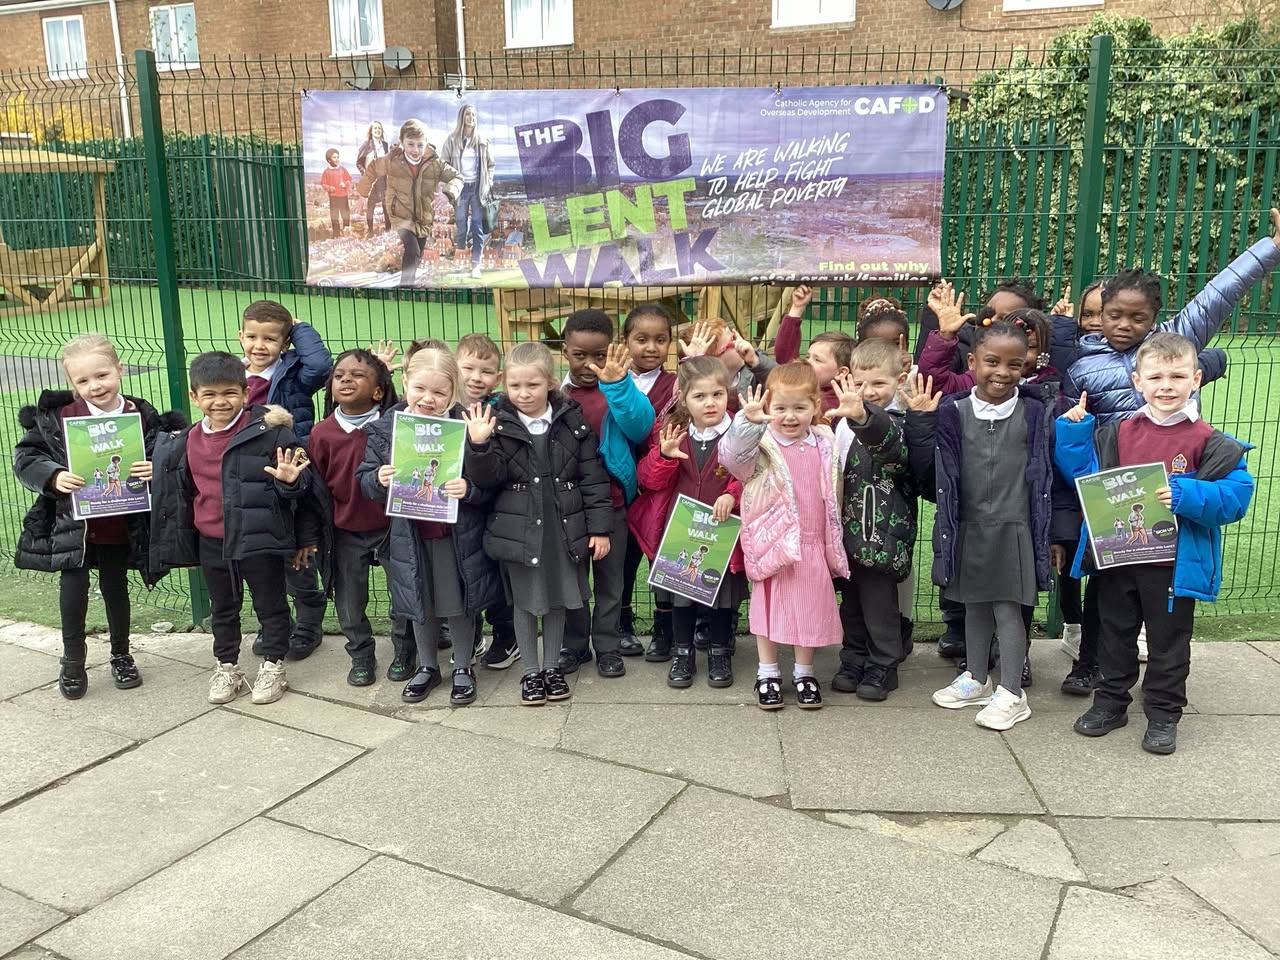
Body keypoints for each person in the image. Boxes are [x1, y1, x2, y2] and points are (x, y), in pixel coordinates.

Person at [1056, 333, 1254, 754]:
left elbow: (1236, 498)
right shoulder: (1116, 433)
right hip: (1118, 559)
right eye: (1156, 376)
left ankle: (1164, 713)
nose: (1167, 385)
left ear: (1196, 379)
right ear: (1137, 381)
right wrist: (1074, 434)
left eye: (1177, 375)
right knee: (1114, 635)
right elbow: (1085, 478)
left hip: (1173, 565)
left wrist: (1186, 495)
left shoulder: (1212, 442)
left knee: (1167, 642)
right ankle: (1110, 703)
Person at [13, 333, 185, 699]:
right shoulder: (60, 418)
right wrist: (53, 475)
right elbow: (26, 457)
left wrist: (154, 466)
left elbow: (168, 452)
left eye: (102, 375)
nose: (95, 386)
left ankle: (121, 655)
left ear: (120, 369)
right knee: (73, 589)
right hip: (73, 524)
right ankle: (73, 659)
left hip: (122, 524)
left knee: (115, 587)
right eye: (83, 380)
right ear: (72, 384)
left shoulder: (139, 413)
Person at [911, 321, 1062, 731]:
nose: (1002, 372)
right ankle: (977, 678)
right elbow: (930, 470)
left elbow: (1052, 474)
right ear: (973, 362)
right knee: (974, 604)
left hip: (1015, 528)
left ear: (1026, 367)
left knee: (1009, 611)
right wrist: (920, 422)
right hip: (968, 526)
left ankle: (1012, 692)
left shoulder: (1036, 411)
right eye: (992, 361)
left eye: (1015, 364)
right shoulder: (951, 411)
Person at [149, 351, 315, 706]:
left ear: (245, 392)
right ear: (195, 397)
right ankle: (227, 667)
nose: (220, 401)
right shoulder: (188, 440)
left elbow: (306, 489)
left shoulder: (273, 434)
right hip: (212, 540)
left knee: (270, 605)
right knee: (223, 608)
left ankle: (273, 665)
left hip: (260, 538)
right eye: (209, 394)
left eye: (229, 393)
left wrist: (289, 482)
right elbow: (183, 494)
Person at [463, 341, 614, 706]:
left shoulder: (572, 421)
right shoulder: (494, 423)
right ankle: (530, 672)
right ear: (504, 383)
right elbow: (487, 479)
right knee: (527, 603)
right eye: (515, 386)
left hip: (563, 530)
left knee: (559, 599)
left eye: (532, 385)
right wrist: (479, 447)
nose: (523, 393)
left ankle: (551, 668)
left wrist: (599, 528)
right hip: (521, 531)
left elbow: (593, 479)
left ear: (549, 382)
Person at [358, 347, 502, 705]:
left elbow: (491, 482)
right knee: (420, 602)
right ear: (405, 382)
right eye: (420, 389)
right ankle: (427, 666)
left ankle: (463, 667)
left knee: (458, 604)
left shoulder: (466, 426)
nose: (428, 399)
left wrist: (469, 488)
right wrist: (379, 478)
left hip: (456, 535)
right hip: (410, 537)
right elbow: (363, 481)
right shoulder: (384, 430)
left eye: (439, 393)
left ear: (453, 391)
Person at [1064, 208, 1280, 423]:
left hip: (1181, 455)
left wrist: (1273, 248)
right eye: (1115, 316)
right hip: (1118, 457)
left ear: (1152, 320)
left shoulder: (1176, 337)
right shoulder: (1080, 369)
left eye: (1138, 318)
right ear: (1102, 316)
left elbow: (1219, 294)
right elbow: (1073, 430)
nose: (1124, 325)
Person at [721, 364, 850, 711]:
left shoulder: (824, 442)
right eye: (780, 408)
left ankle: (805, 672)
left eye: (799, 408)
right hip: (772, 541)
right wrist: (746, 423)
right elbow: (733, 459)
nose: (789, 417)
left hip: (811, 541)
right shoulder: (760, 445)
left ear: (815, 407)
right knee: (769, 607)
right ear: (768, 408)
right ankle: (767, 672)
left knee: (809, 606)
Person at [631, 356, 746, 688]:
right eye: (700, 396)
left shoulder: (738, 432)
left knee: (722, 596)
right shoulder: (673, 433)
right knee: (681, 594)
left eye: (717, 394)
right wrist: (664, 456)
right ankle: (682, 653)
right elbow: (648, 479)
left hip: (722, 531)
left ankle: (719, 652)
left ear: (728, 394)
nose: (710, 403)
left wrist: (732, 494)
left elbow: (751, 472)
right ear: (684, 398)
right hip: (681, 529)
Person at [556, 310, 655, 678]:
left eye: (599, 355)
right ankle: (575, 645)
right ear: (565, 351)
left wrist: (616, 386)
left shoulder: (621, 387)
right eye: (580, 355)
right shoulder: (557, 394)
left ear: (611, 351)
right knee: (575, 583)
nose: (590, 364)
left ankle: (608, 646)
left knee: (611, 584)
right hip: (568, 508)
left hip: (613, 505)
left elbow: (640, 426)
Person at [308, 348, 416, 686]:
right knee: (349, 603)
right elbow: (317, 492)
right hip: (344, 531)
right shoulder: (321, 434)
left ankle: (405, 651)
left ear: (379, 391)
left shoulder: (396, 428)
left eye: (357, 375)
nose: (346, 380)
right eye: (339, 375)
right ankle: (361, 656)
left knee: (404, 597)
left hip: (392, 527)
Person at [238, 300, 333, 661]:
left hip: (291, 469)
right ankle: (275, 623)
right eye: (252, 337)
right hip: (250, 475)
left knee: (298, 548)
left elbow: (322, 365)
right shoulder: (235, 375)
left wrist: (299, 325)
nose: (259, 346)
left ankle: (309, 623)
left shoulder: (293, 373)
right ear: (240, 336)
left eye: (270, 338)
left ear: (285, 342)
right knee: (260, 553)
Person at [828, 340, 918, 702]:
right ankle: (853, 658)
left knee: (879, 604)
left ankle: (884, 664)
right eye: (862, 384)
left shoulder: (901, 421)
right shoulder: (844, 422)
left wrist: (864, 418)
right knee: (850, 602)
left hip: (882, 532)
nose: (869, 392)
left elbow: (893, 449)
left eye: (879, 384)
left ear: (900, 379)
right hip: (848, 531)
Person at [451, 332, 520, 671]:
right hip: (457, 511)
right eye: (469, 368)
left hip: (496, 507)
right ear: (454, 366)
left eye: (486, 371)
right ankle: (472, 637)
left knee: (498, 576)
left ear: (499, 378)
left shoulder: (502, 412)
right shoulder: (444, 406)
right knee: (464, 575)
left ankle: (507, 638)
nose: (476, 377)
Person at [619, 303, 677, 661]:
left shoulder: (677, 385)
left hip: (662, 488)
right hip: (621, 488)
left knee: (662, 560)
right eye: (641, 339)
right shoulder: (612, 379)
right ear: (625, 341)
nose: (651, 347)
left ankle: (665, 629)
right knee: (623, 562)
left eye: (660, 340)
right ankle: (621, 624)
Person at [356, 119, 462, 286]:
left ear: (426, 143)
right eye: (410, 144)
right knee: (412, 250)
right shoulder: (392, 161)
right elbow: (372, 170)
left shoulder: (435, 164)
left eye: (420, 145)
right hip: (400, 214)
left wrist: (448, 194)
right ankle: (406, 287)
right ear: (402, 143)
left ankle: (409, 284)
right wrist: (363, 194)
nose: (415, 150)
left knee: (418, 253)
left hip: (424, 216)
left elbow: (457, 177)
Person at [440, 104, 496, 281]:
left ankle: (475, 265)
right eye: (468, 114)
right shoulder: (452, 140)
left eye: (473, 114)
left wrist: (488, 184)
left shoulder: (482, 141)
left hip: (477, 189)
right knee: (462, 227)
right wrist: (446, 187)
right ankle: (460, 261)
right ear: (462, 117)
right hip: (460, 189)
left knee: (478, 227)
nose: (471, 117)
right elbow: (443, 165)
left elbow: (491, 165)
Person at [355, 121, 391, 234]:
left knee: (386, 205)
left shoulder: (385, 145)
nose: (377, 130)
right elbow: (359, 163)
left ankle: (388, 229)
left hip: (383, 179)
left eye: (379, 128)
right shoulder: (366, 145)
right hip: (371, 180)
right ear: (371, 131)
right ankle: (370, 231)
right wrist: (365, 173)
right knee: (370, 206)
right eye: (375, 128)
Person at [319, 148, 353, 238]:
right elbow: (323, 183)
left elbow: (349, 179)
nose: (337, 159)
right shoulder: (326, 172)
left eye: (338, 157)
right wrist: (329, 188)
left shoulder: (342, 169)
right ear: (329, 160)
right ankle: (336, 235)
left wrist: (345, 184)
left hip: (343, 196)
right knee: (334, 217)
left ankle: (346, 234)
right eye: (334, 157)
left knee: (345, 216)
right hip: (333, 198)